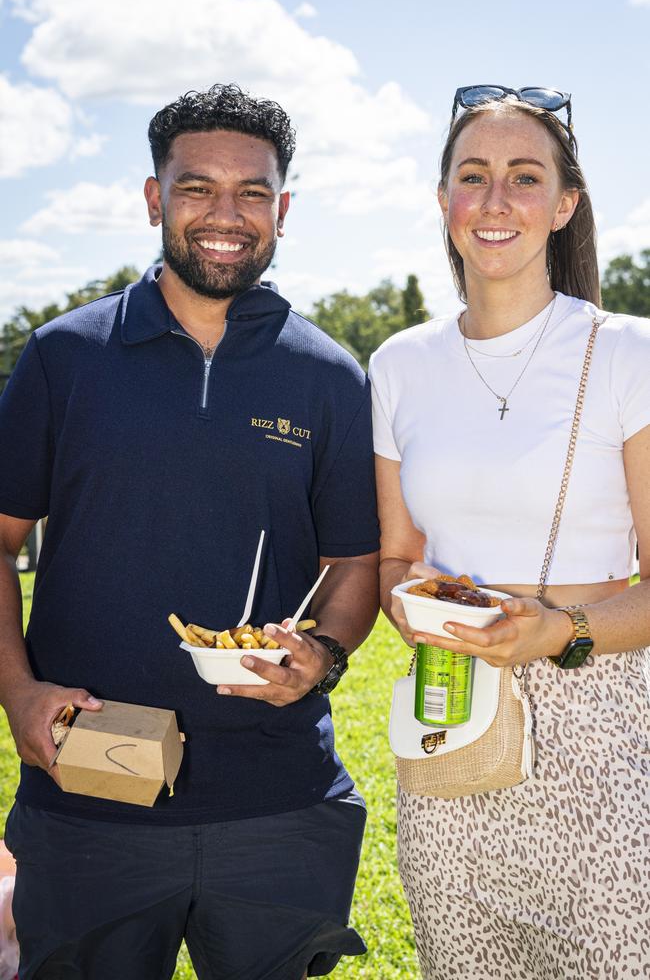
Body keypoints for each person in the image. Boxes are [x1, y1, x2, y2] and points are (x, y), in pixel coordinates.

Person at [0, 83, 379, 980]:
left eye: (252, 193)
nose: (225, 215)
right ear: (152, 198)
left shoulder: (329, 375)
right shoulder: (65, 356)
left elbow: (354, 562)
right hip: (90, 794)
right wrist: (16, 691)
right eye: (195, 187)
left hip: (280, 809)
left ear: (282, 209)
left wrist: (323, 653)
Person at [369, 85, 650, 979]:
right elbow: (395, 559)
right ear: (443, 198)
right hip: (451, 720)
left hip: (601, 730)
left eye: (524, 178)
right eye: (473, 176)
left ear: (565, 205)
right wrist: (411, 609)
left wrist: (554, 632)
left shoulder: (628, 353)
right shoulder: (398, 364)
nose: (495, 202)